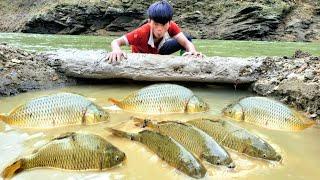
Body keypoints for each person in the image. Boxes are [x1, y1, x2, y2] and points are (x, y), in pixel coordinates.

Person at [106, 0, 204, 64]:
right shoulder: (141, 33)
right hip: (142, 57)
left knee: (187, 38)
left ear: (169, 23)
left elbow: (186, 43)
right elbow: (115, 42)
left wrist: (192, 52)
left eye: (163, 24)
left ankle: (185, 60)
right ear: (149, 22)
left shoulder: (171, 25)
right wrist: (116, 50)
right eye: (156, 24)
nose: (159, 29)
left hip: (159, 51)